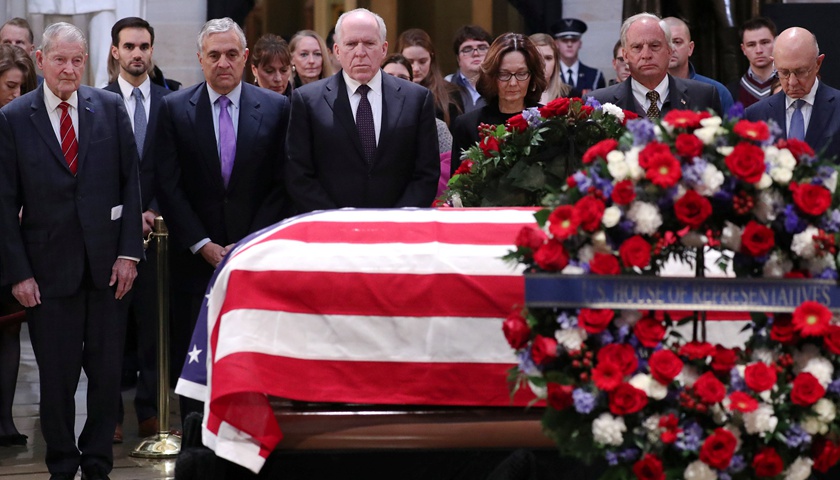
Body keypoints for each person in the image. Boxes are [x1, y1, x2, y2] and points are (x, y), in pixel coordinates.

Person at [0, 21, 142, 480]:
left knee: (106, 377)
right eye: (59, 59)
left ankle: (98, 464)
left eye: (77, 60)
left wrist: (129, 254)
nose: (68, 69)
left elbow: (131, 184)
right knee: (56, 380)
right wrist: (19, 273)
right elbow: (4, 202)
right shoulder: (14, 117)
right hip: (46, 275)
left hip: (107, 272)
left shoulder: (109, 107)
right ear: (41, 60)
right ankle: (62, 465)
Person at [155, 17, 291, 420]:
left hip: (255, 259)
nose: (223, 63)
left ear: (245, 57)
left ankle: (251, 436)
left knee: (253, 355)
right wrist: (202, 244)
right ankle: (196, 439)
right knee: (194, 357)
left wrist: (247, 243)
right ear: (200, 59)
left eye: (232, 54)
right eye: (214, 55)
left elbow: (282, 184)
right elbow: (169, 185)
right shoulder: (174, 108)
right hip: (196, 262)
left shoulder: (277, 108)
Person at [285, 8, 439, 214]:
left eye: (369, 43)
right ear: (337, 51)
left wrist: (396, 220)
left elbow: (426, 173)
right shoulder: (308, 101)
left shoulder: (417, 99)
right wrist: (337, 220)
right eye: (351, 44)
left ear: (383, 49)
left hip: (398, 225)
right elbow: (299, 174)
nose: (360, 52)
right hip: (331, 226)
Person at [103, 16, 170, 444]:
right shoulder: (97, 101)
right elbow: (97, 173)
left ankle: (150, 412)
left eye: (144, 46)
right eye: (129, 46)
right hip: (112, 237)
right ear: (115, 52)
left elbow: (175, 167)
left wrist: (154, 210)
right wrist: (130, 214)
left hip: (159, 235)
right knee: (109, 334)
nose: (137, 54)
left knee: (154, 329)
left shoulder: (171, 102)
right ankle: (108, 415)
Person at [0, 42, 36, 449]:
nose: (16, 94)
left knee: (10, 330)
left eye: (22, 87)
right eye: (10, 85)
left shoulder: (22, 122)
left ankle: (5, 420)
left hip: (13, 241)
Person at [587, 13, 721, 119]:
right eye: (637, 47)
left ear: (669, 51)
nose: (646, 55)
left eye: (655, 46)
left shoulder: (704, 96)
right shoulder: (599, 102)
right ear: (625, 55)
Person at [450, 33, 547, 176]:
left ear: (532, 76)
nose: (512, 83)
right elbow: (458, 183)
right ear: (491, 77)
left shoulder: (547, 121)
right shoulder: (467, 125)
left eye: (521, 74)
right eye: (504, 74)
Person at [745, 27, 840, 161]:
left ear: (818, 63)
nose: (792, 82)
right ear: (774, 64)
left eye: (800, 71)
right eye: (784, 72)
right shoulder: (755, 116)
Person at [664, 16, 734, 114]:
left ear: (690, 48)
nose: (671, 49)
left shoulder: (717, 91)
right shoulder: (650, 92)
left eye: (677, 42)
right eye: (665, 43)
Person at [397, 28, 464, 127]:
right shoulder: (389, 91)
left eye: (422, 61)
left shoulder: (450, 94)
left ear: (431, 59)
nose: (416, 68)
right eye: (410, 62)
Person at [728, 16, 777, 108]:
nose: (759, 50)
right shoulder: (731, 92)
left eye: (765, 42)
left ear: (776, 43)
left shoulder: (790, 87)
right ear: (743, 49)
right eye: (751, 45)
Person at [445, 25, 493, 113]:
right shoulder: (445, 86)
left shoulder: (501, 84)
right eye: (467, 49)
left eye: (482, 48)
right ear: (458, 58)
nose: (476, 54)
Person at [551, 18, 605, 94]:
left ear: (580, 43)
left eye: (574, 40)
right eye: (564, 40)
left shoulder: (594, 76)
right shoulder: (550, 74)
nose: (569, 44)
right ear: (556, 44)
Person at [529, 32, 571, 104]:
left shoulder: (570, 96)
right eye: (537, 58)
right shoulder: (518, 95)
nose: (543, 64)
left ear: (556, 62)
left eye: (548, 58)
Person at [0, 17, 42, 84]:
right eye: (7, 42)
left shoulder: (43, 87)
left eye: (19, 42)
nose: (13, 47)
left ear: (31, 49)